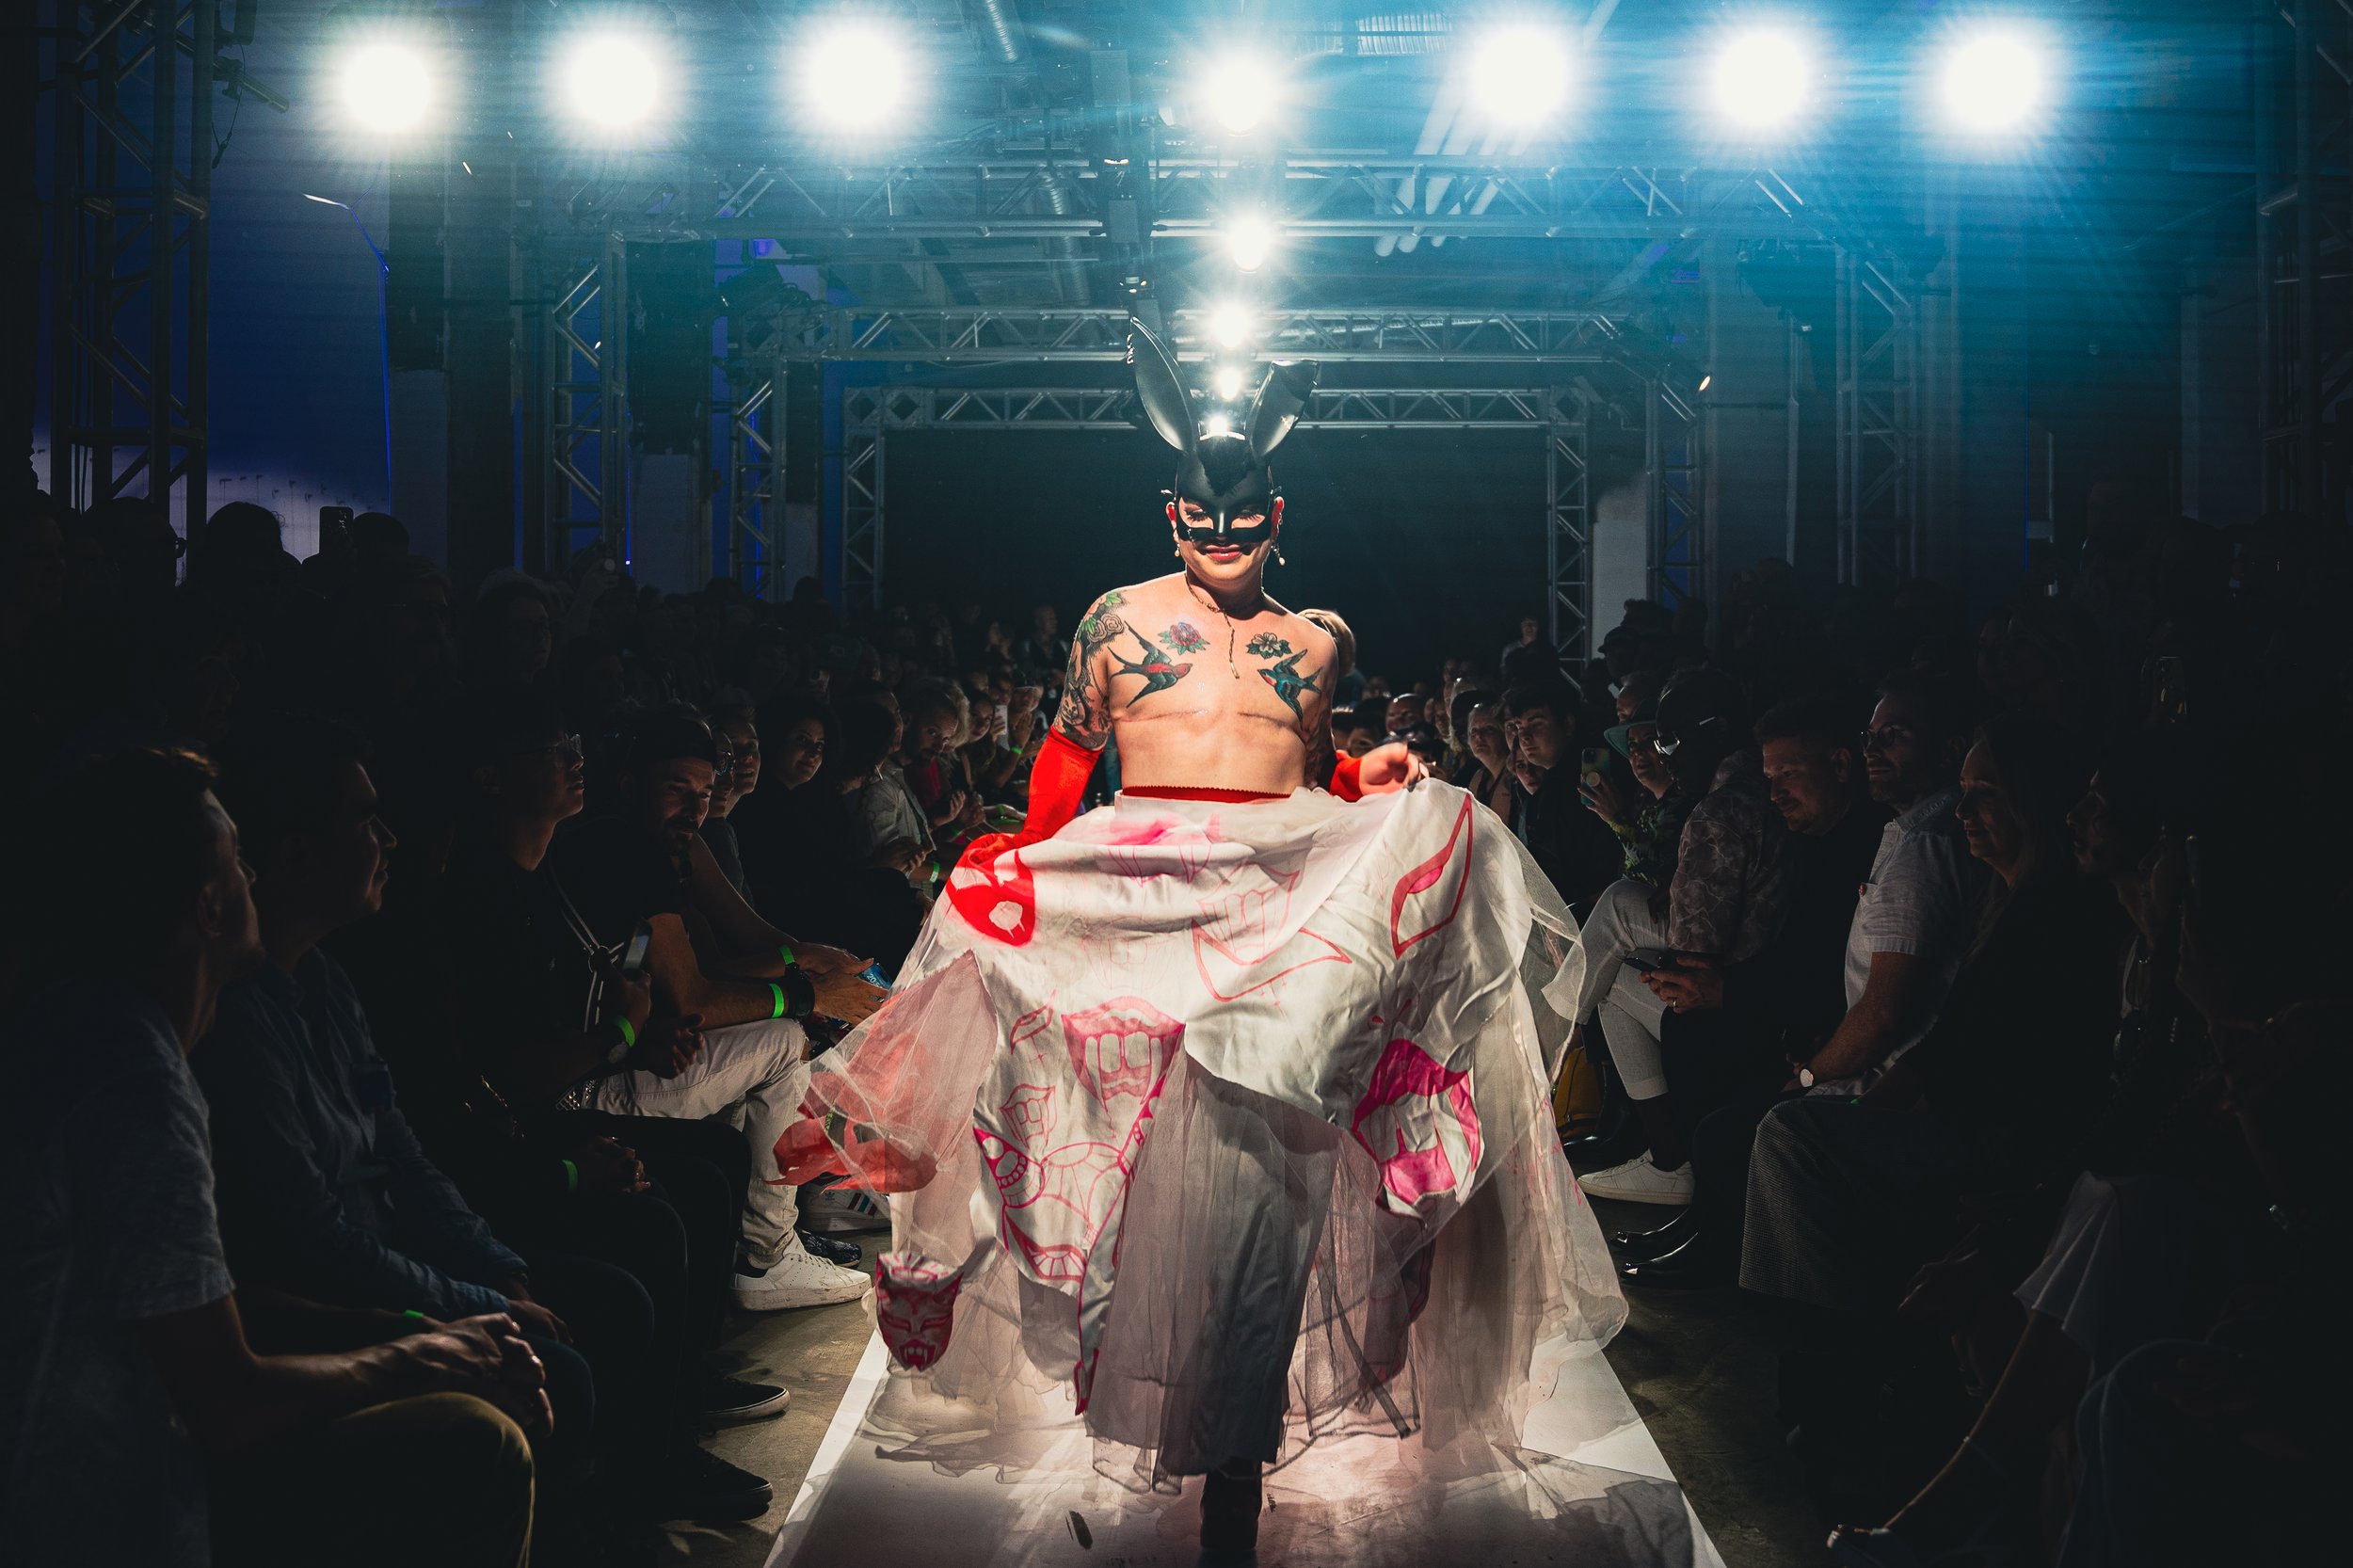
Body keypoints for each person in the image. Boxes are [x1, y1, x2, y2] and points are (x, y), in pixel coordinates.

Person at [777, 324, 1625, 1556]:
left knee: (1262, 1156)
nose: (1221, 537)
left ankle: (1230, 1439)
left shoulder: (1318, 637)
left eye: (1241, 520)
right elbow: (1074, 746)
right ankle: (1102, 1351)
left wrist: (1360, 770)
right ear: (1170, 514)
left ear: (1275, 515)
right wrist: (1038, 857)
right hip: (1140, 882)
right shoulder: (1114, 622)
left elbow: (1306, 761)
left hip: (1278, 888)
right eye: (1199, 519)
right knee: (1110, 1129)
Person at [0, 748, 538, 1568]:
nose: (255, 877)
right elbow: (224, 1398)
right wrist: (416, 1356)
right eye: (240, 861)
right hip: (103, 1514)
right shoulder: (131, 1073)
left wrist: (406, 1323)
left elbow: (187, 1302)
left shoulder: (93, 1030)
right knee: (476, 1442)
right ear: (210, 907)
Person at [551, 708, 886, 1310]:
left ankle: (745, 1239)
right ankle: (767, 1254)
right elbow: (695, 997)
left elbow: (729, 956)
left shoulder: (673, 844)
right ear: (629, 783)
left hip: (632, 1057)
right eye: (676, 788)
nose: (695, 806)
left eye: (704, 792)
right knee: (781, 1040)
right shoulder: (625, 850)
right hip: (586, 1087)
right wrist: (807, 991)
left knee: (771, 1031)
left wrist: (810, 960)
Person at [1567, 668, 1795, 1206]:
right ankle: (1667, 1159)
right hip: (1754, 989)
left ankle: (1552, 1037)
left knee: (1621, 906)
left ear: (1711, 734)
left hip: (1733, 1005)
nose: (1661, 755)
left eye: (1667, 740)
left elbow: (1693, 955)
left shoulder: (1719, 809)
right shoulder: (1738, 795)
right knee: (1614, 984)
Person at [1503, 675, 1624, 909]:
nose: (1525, 737)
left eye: (1536, 725)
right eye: (1519, 727)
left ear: (1567, 724)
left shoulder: (1570, 783)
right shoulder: (1551, 783)